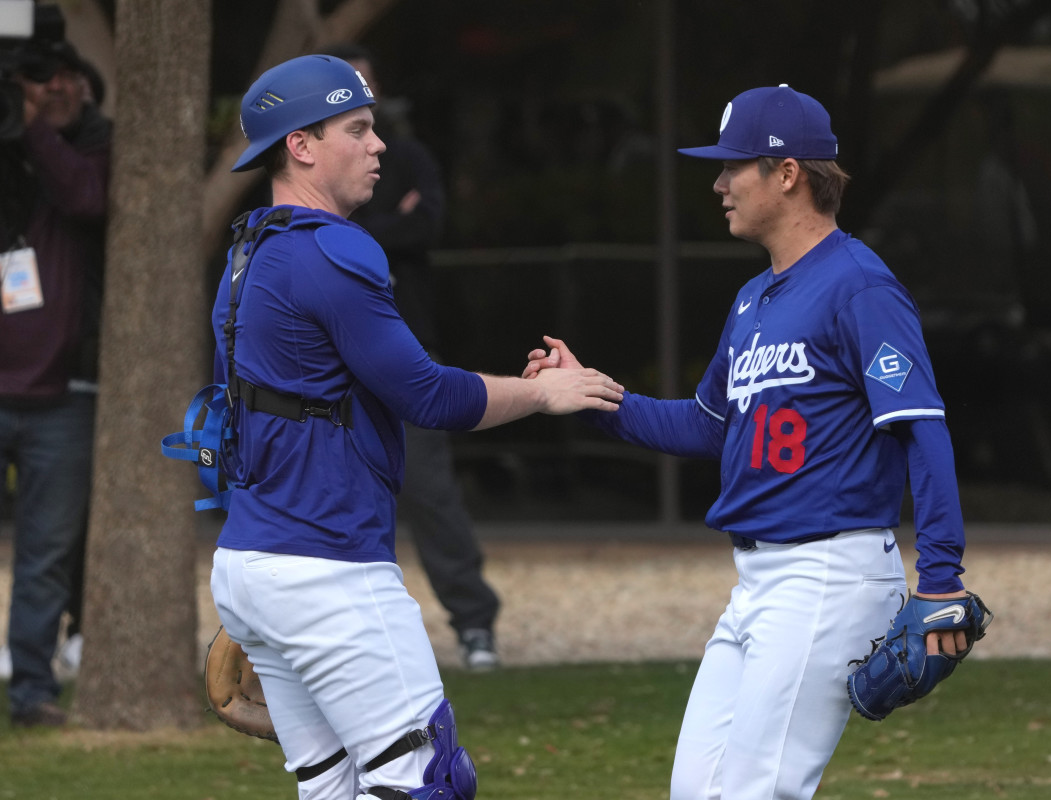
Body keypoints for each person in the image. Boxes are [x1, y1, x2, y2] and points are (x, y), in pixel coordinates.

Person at [525, 85, 973, 800]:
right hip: (757, 583)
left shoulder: (860, 285)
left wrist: (942, 577)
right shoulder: (754, 299)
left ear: (787, 173)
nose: (719, 182)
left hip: (828, 573)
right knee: (697, 790)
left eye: (734, 165)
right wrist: (595, 398)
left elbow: (921, 425)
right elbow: (709, 426)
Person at [207, 54, 622, 799]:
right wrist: (545, 395)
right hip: (326, 565)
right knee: (427, 782)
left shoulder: (249, 248)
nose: (380, 146)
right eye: (358, 129)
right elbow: (428, 396)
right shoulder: (333, 250)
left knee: (330, 786)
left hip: (252, 562)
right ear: (301, 145)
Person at [324, 43, 501, 671]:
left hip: (406, 348)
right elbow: (330, 240)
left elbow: (427, 223)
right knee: (336, 492)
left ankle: (475, 622)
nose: (367, 136)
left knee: (428, 491)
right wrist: (372, 233)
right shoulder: (312, 186)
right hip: (334, 364)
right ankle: (347, 641)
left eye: (364, 96)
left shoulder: (407, 157)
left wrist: (360, 232)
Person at [0, 36, 110, 727]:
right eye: (36, 80)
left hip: (62, 398)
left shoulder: (95, 147)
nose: (53, 88)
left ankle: (32, 692)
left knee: (45, 557)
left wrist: (33, 126)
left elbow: (87, 200)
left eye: (67, 77)